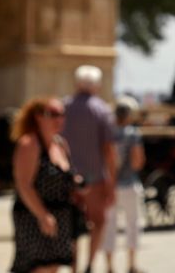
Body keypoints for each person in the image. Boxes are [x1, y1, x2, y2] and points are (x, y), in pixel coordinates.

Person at [62, 65, 117, 273]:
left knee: (71, 226)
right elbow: (108, 150)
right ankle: (90, 263)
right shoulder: (101, 110)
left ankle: (74, 266)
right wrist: (111, 182)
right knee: (99, 221)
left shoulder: (64, 106)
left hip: (67, 177)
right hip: (95, 178)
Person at [10, 97, 75, 273]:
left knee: (53, 266)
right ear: (38, 116)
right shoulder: (29, 143)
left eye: (62, 114)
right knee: (39, 267)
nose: (59, 119)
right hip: (33, 214)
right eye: (53, 114)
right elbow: (24, 184)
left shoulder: (60, 143)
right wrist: (43, 215)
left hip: (60, 214)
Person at [102, 96, 145, 273]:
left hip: (110, 185)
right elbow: (137, 162)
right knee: (133, 224)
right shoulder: (133, 134)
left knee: (109, 226)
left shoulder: (108, 133)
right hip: (129, 184)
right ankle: (131, 264)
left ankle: (110, 266)